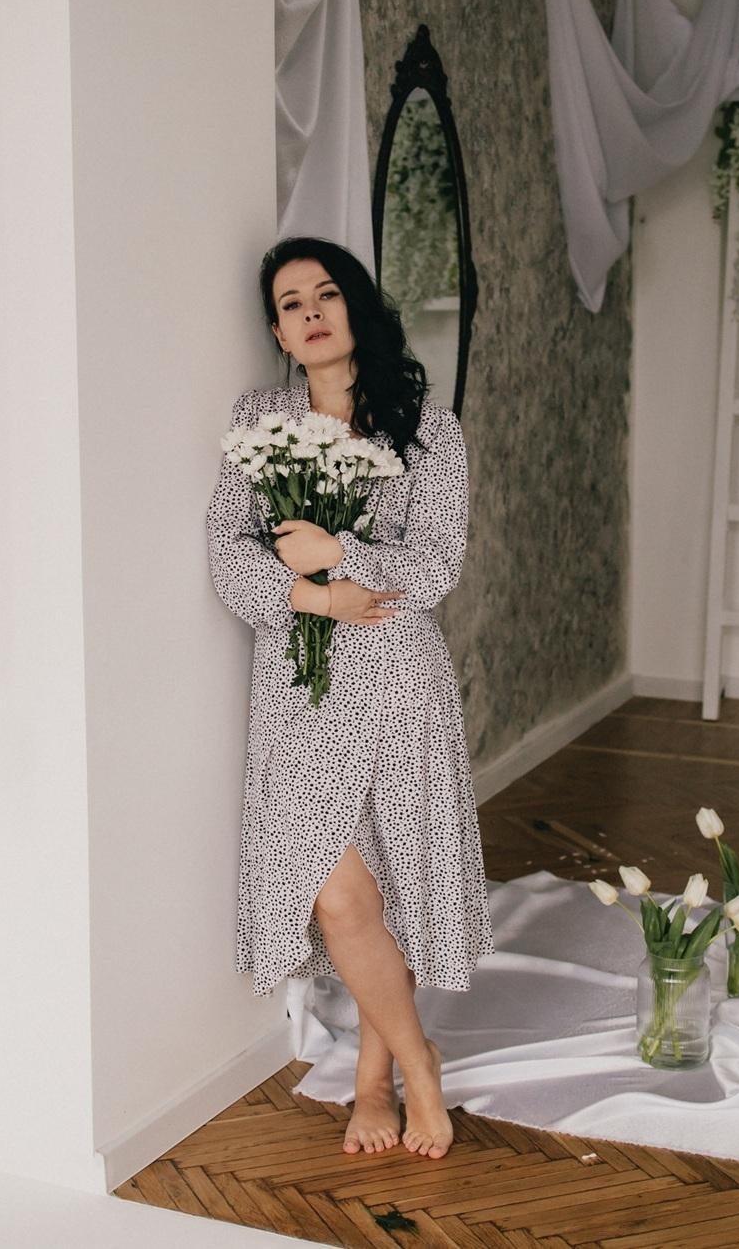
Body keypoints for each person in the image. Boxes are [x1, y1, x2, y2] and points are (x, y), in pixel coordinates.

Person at [204, 235, 494, 1160]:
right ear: (279, 334)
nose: (311, 312)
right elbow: (228, 550)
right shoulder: (259, 423)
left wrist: (345, 552)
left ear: (354, 305)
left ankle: (376, 1081)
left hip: (398, 679)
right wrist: (320, 596)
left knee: (394, 881)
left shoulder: (429, 430)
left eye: (325, 294)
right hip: (301, 684)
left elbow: (437, 563)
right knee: (335, 893)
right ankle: (421, 1060)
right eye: (291, 304)